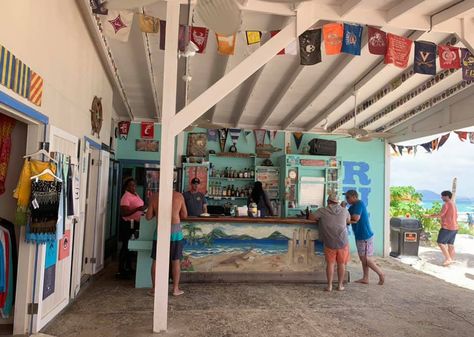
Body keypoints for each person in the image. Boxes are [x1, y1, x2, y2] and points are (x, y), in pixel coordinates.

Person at [146, 190, 187, 296]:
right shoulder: (179, 196)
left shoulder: (155, 196)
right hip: (175, 232)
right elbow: (184, 215)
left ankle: (155, 289)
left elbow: (148, 216)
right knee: (175, 261)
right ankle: (175, 289)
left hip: (160, 230)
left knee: (156, 260)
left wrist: (158, 211)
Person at [309, 193, 351, 292]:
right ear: (338, 202)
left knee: (330, 264)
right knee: (341, 264)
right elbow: (348, 221)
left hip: (329, 242)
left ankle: (329, 286)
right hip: (343, 242)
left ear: (328, 201)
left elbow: (311, 217)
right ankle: (340, 285)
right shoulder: (345, 210)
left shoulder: (322, 210)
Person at [345, 190, 385, 285]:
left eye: (348, 197)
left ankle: (381, 273)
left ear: (354, 197)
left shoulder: (359, 203)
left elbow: (355, 218)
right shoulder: (352, 207)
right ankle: (365, 278)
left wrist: (348, 218)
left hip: (365, 235)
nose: (346, 199)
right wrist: (343, 208)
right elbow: (345, 215)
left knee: (366, 259)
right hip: (359, 235)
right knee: (363, 258)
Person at [118, 178, 145, 278]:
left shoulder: (135, 194)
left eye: (134, 185)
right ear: (126, 187)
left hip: (136, 224)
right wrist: (137, 209)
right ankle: (121, 268)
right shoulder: (126, 197)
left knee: (131, 246)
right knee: (126, 245)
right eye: (130, 185)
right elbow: (124, 213)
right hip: (128, 224)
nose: (133, 187)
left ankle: (129, 266)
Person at [424, 190, 458, 266]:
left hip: (447, 227)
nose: (441, 197)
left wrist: (429, 216)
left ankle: (448, 259)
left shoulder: (446, 204)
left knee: (440, 243)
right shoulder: (453, 204)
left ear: (447, 196)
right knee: (450, 244)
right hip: (455, 227)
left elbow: (441, 214)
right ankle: (450, 260)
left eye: (442, 196)